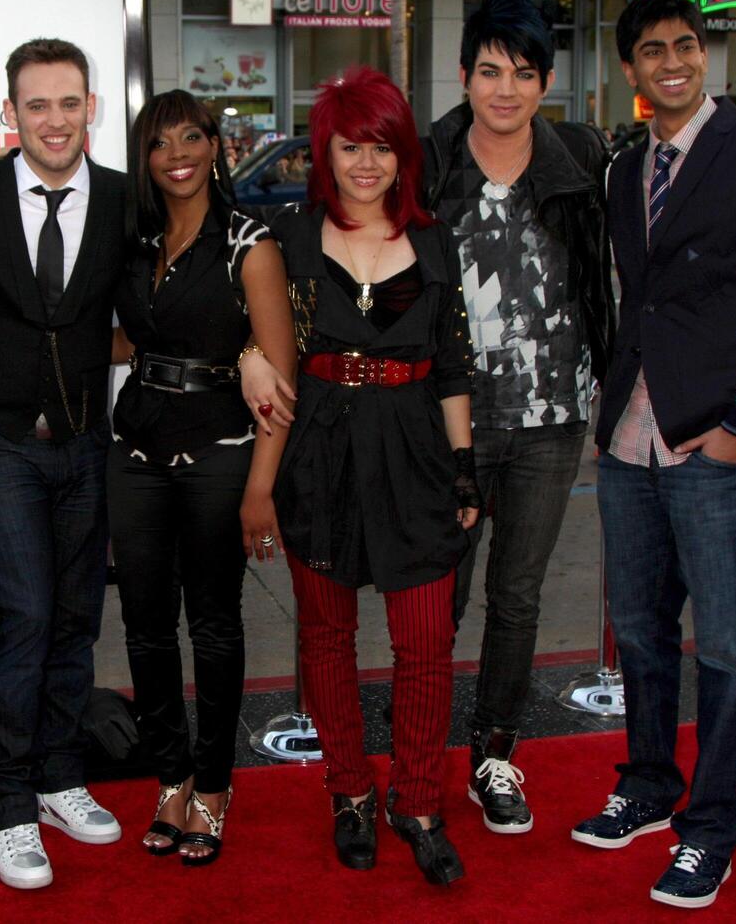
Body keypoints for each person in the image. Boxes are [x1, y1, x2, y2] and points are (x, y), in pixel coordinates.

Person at [571, 0, 736, 910]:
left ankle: (711, 828)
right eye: (653, 51)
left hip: (718, 442)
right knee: (639, 632)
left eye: (687, 45)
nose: (673, 62)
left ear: (705, 56)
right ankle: (647, 787)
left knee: (725, 651)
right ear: (631, 71)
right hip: (632, 442)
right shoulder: (622, 169)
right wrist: (609, 426)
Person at [264, 66, 479, 886]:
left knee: (426, 643)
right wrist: (252, 356)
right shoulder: (288, 235)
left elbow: (453, 362)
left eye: (381, 147)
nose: (365, 163)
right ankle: (350, 789)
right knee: (327, 637)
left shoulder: (432, 238)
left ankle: (418, 800)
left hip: (417, 449)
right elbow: (255, 332)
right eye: (350, 146)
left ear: (403, 155)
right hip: (318, 451)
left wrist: (463, 473)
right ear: (327, 150)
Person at [0, 37, 125, 890]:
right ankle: (8, 803)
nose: (54, 119)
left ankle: (57, 777)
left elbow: (146, 306)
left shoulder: (123, 199)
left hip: (90, 445)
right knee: (25, 620)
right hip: (4, 445)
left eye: (69, 102)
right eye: (37, 104)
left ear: (92, 108)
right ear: (10, 114)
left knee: (77, 621)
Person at [421, 0, 614, 834]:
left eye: (524, 74)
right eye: (490, 71)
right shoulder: (427, 162)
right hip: (450, 420)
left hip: (551, 420)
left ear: (546, 83)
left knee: (519, 597)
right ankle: (422, 758)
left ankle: (495, 755)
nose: (506, 89)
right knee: (437, 595)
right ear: (464, 75)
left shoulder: (580, 160)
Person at [110, 90, 295, 866]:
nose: (178, 152)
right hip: (137, 457)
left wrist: (260, 489)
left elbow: (282, 380)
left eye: (193, 137)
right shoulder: (137, 239)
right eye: (161, 142)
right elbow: (129, 338)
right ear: (145, 157)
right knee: (145, 629)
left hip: (221, 458)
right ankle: (171, 779)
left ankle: (215, 786)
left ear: (217, 146)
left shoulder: (249, 241)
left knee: (213, 626)